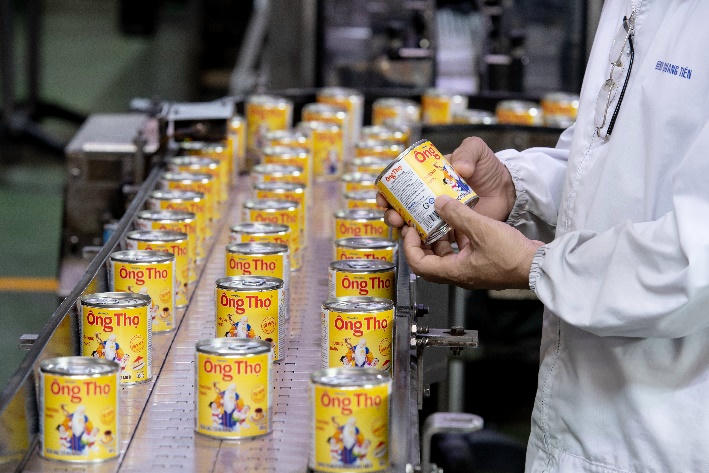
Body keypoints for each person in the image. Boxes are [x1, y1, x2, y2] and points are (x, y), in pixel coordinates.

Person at [378, 1, 709, 471]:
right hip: (581, 415)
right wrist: (515, 190)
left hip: (664, 439)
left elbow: (695, 258)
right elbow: (611, 163)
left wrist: (533, 264)